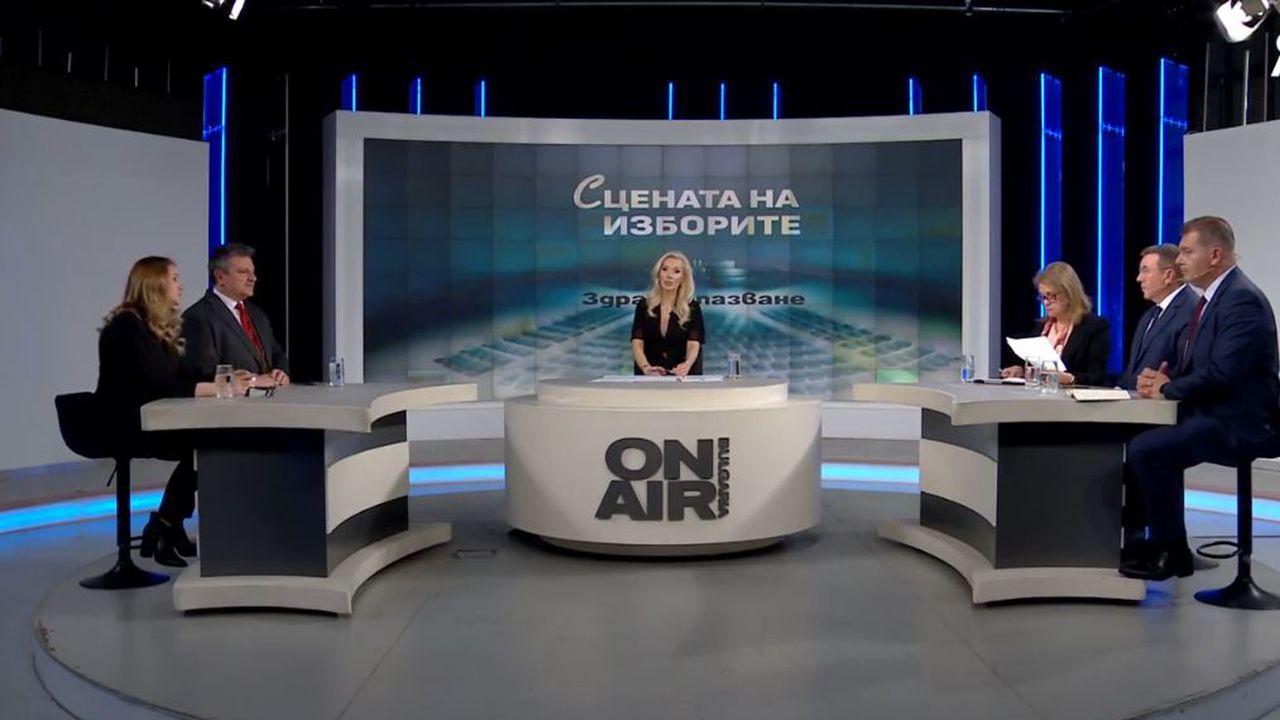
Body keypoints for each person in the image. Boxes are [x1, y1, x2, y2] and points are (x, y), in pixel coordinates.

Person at [1124, 216, 1280, 580]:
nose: (1179, 260)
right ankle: (1152, 542)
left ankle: (1170, 552)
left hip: (1240, 422)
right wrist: (1162, 380)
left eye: (1186, 252)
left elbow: (1224, 373)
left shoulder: (1241, 299)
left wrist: (1168, 389)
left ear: (1214, 255)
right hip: (1212, 412)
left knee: (1148, 450)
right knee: (1136, 438)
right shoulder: (1212, 299)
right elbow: (1202, 366)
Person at [96, 257, 249, 567]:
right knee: (206, 444)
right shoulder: (126, 327)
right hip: (126, 424)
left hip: (153, 418)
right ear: (154, 285)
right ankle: (164, 526)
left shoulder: (156, 327)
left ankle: (169, 525)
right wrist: (216, 387)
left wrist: (228, 379)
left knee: (211, 440)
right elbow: (158, 384)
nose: (181, 285)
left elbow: (180, 375)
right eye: (174, 278)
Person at [182, 243, 290, 384]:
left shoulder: (257, 314)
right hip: (231, 399)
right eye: (243, 272)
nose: (253, 278)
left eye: (253, 272)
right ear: (220, 277)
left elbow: (277, 354)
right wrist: (252, 381)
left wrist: (281, 371)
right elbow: (203, 373)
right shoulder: (197, 317)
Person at [1000, 261, 1110, 386]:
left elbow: (1096, 376)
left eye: (1051, 296)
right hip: (1039, 395)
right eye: (1043, 297)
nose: (1046, 303)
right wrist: (1020, 371)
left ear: (1069, 294)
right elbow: (1037, 371)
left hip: (1071, 396)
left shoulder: (1095, 327)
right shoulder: (1041, 327)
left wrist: (1069, 379)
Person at [1121, 244, 1198, 391]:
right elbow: (1134, 369)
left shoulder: (1192, 311)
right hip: (1136, 402)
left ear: (1168, 275)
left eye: (1145, 271)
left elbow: (1188, 370)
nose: (1139, 278)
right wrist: (1117, 391)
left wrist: (1164, 386)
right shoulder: (1149, 315)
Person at [631, 251, 705, 377]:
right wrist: (645, 367)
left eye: (676, 271)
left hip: (682, 376)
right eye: (665, 269)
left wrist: (686, 365)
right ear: (658, 274)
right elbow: (637, 342)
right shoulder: (644, 306)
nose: (669, 276)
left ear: (683, 278)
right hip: (650, 376)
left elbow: (694, 343)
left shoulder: (692, 308)